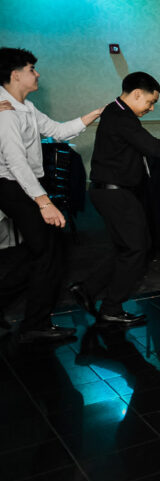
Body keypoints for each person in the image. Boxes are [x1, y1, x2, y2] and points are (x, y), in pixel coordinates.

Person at [72, 72, 160, 326]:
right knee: (139, 248)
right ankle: (111, 307)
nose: (150, 108)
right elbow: (155, 148)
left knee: (125, 248)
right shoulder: (121, 117)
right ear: (137, 94)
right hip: (114, 193)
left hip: (110, 191)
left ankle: (87, 290)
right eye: (150, 102)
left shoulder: (116, 113)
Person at [0, 48, 101, 342]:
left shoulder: (27, 108)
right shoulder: (5, 111)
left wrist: (95, 114)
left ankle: (28, 317)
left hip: (26, 183)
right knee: (48, 253)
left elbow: (58, 131)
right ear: (16, 75)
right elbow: (16, 163)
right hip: (12, 185)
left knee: (42, 252)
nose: (38, 73)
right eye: (32, 68)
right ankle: (35, 324)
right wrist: (44, 203)